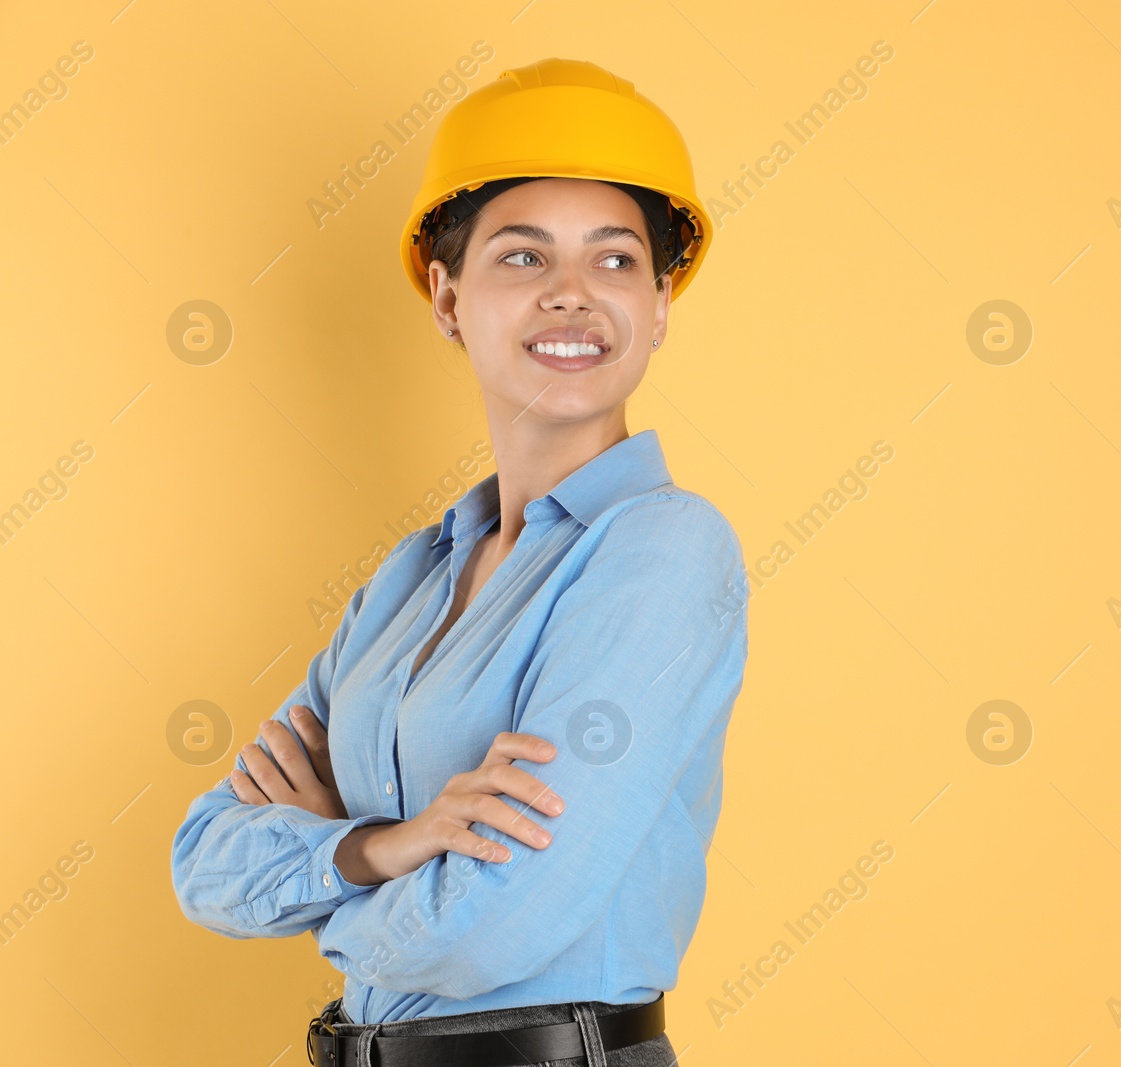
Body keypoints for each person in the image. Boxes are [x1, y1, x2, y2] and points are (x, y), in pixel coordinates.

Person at [170, 58, 747, 1067]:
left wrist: (321, 886)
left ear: (660, 302)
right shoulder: (407, 578)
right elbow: (206, 859)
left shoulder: (665, 547)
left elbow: (502, 920)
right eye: (523, 258)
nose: (572, 295)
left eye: (614, 261)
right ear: (446, 296)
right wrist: (381, 844)